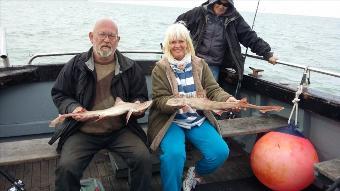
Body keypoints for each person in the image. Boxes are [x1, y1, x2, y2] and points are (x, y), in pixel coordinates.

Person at [48, 18, 152, 191]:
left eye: (112, 36)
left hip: (120, 130)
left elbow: (140, 96)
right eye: (102, 34)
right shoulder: (76, 65)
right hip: (82, 131)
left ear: (118, 40)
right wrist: (72, 107)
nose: (106, 40)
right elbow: (59, 93)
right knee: (67, 168)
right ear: (91, 37)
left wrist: (137, 107)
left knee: (143, 159)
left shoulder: (131, 68)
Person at [148, 23, 238, 191]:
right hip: (171, 121)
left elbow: (213, 89)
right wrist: (176, 104)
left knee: (220, 152)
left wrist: (228, 99)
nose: (177, 45)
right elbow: (159, 100)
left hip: (197, 119)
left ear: (188, 43)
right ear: (167, 45)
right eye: (173, 42)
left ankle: (194, 174)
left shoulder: (200, 64)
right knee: (174, 155)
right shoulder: (160, 68)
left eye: (181, 41)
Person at [176, 0, 278, 80]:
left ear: (230, 6)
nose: (221, 6)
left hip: (213, 66)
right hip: (192, 62)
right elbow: (177, 26)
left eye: (225, 5)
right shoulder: (199, 12)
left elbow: (249, 37)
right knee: (187, 95)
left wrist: (267, 53)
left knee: (207, 97)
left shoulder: (235, 19)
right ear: (213, 1)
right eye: (219, 2)